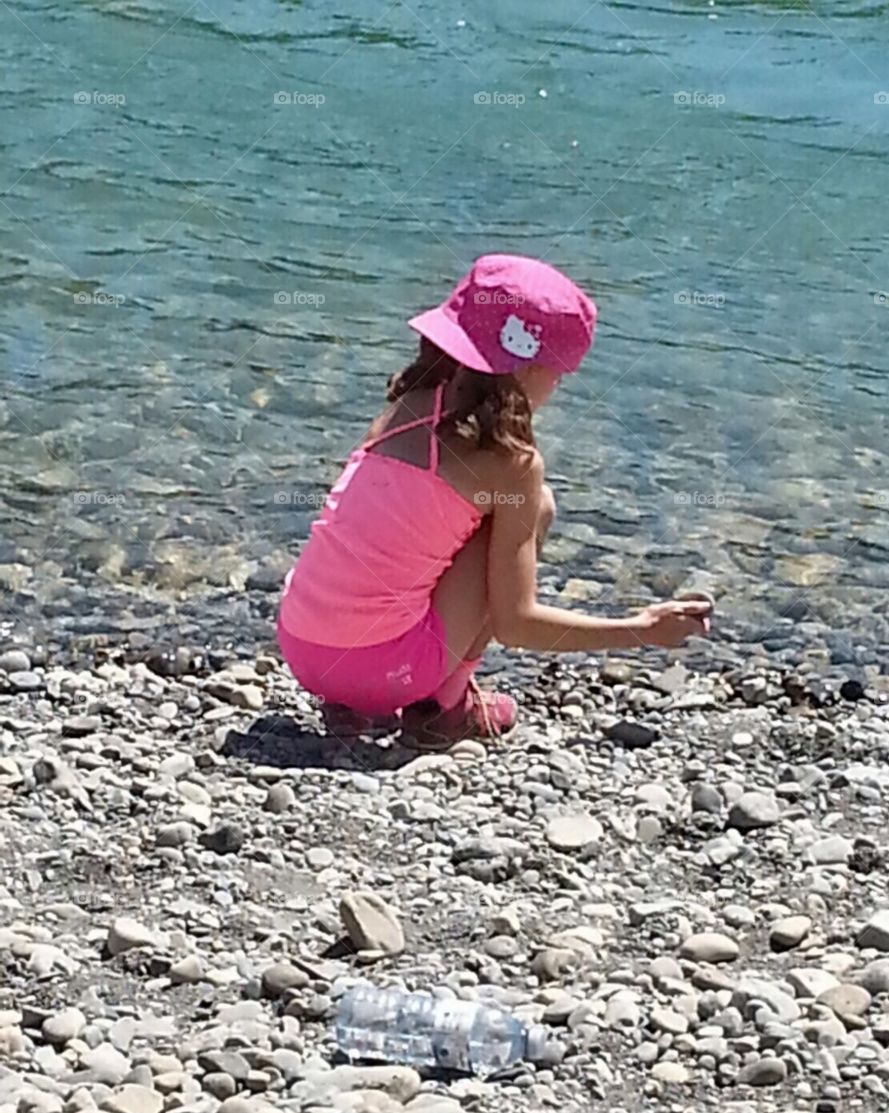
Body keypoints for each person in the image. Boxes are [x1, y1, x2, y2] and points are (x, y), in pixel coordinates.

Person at [277, 253, 712, 749]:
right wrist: (641, 629)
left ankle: (351, 708)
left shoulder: (405, 407)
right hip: (386, 669)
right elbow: (516, 623)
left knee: (415, 542)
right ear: (528, 370)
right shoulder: (512, 465)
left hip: (303, 650)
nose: (560, 384)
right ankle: (443, 711)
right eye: (559, 373)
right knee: (536, 507)